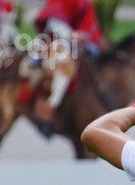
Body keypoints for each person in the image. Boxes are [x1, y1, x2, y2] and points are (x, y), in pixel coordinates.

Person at [30, 0, 105, 136]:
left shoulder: (86, 3)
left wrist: (96, 39)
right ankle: (46, 114)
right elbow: (53, 24)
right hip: (55, 42)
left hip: (79, 46)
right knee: (63, 73)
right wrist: (74, 35)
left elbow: (89, 24)